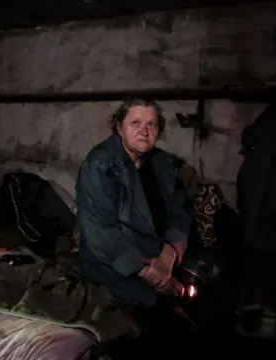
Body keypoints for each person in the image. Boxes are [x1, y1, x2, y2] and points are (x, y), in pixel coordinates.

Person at [76, 99, 194, 352]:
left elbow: (179, 215)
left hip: (160, 263)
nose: (144, 130)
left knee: (197, 321)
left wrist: (168, 256)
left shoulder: (163, 165)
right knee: (161, 332)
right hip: (114, 270)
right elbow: (103, 237)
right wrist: (156, 277)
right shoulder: (99, 166)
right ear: (120, 128)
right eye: (136, 123)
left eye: (151, 124)